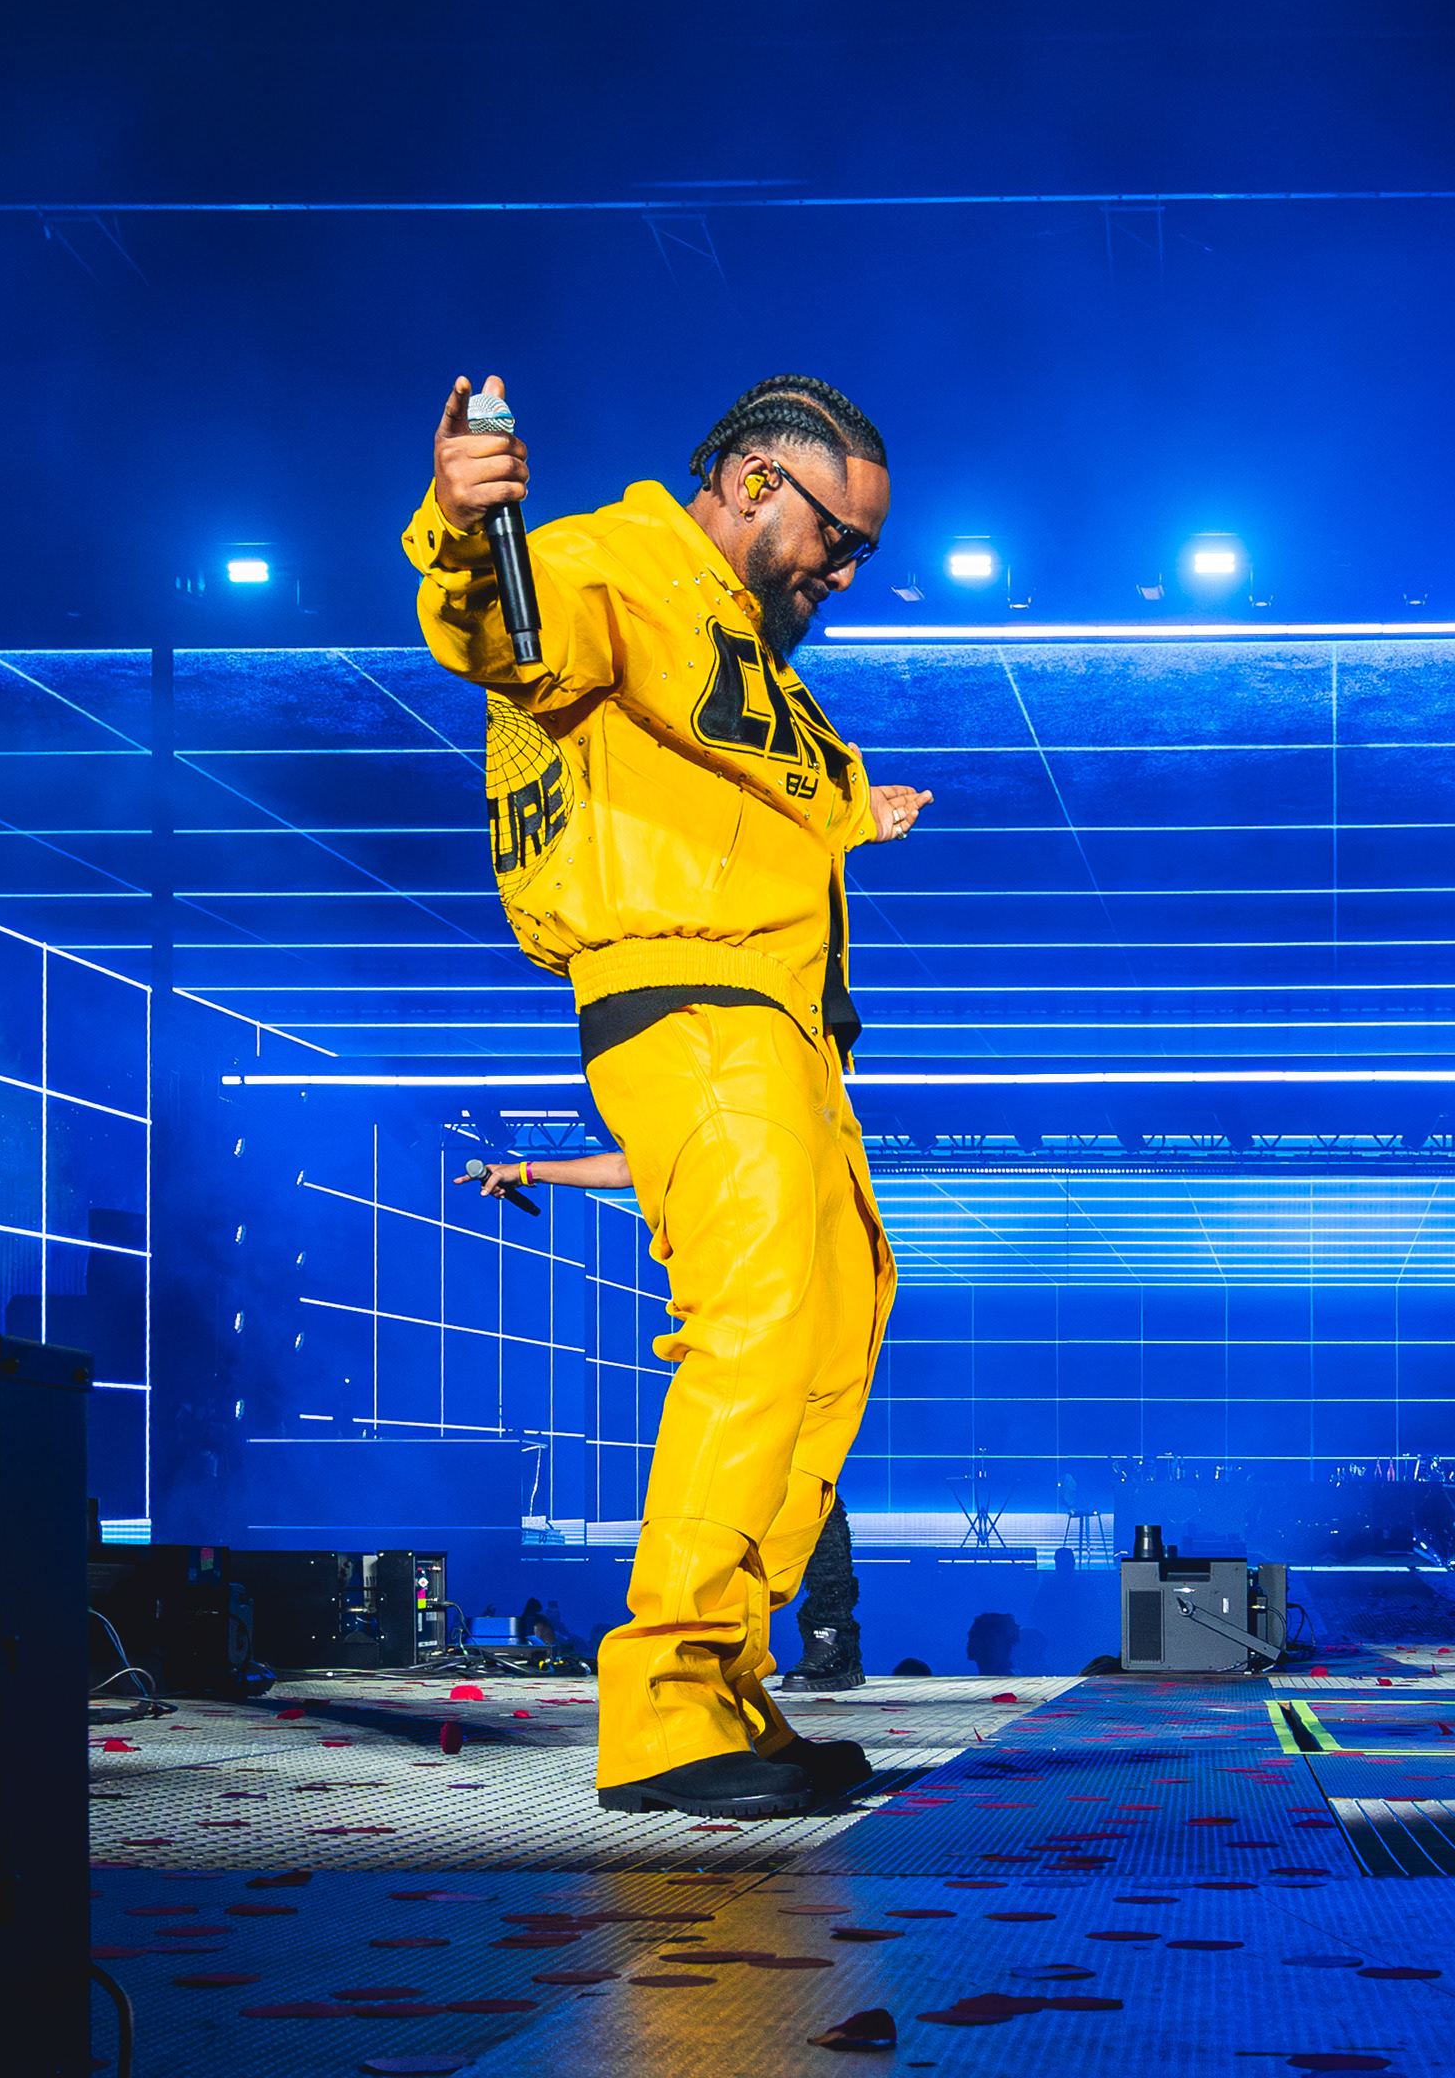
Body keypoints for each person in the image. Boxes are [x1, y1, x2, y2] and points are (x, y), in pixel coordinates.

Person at [411, 369, 933, 1822]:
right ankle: (665, 1705)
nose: (845, 571)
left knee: (832, 1329)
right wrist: (463, 528)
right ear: (757, 481)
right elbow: (504, 630)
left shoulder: (745, 647)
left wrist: (857, 810)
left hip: (786, 1025)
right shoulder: (620, 563)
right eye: (839, 538)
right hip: (691, 995)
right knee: (759, 1316)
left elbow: (740, 777)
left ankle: (728, 1680)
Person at [473, 1147, 870, 1691]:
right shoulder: (701, 1133)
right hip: (731, 1326)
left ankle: (830, 1633)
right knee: (731, 1480)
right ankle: (718, 1637)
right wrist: (523, 1171)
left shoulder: (778, 1128)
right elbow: (632, 1164)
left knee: (801, 1474)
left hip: (796, 1316)